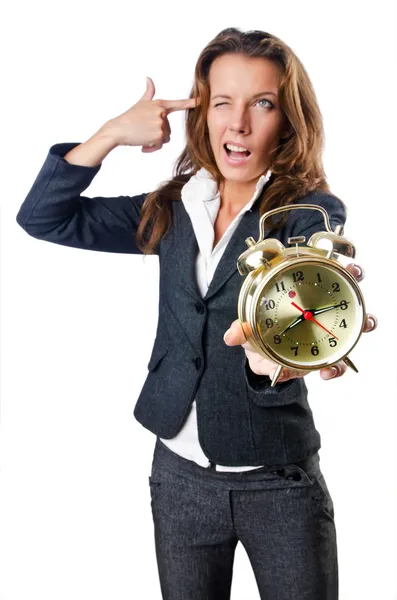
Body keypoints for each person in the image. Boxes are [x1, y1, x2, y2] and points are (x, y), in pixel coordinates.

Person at [16, 27, 377, 600]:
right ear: (202, 112)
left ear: (287, 120)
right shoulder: (172, 207)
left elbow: (313, 275)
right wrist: (110, 134)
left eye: (262, 104)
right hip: (179, 478)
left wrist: (283, 349)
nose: (238, 124)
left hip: (278, 483)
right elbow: (43, 217)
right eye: (222, 102)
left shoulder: (308, 213)